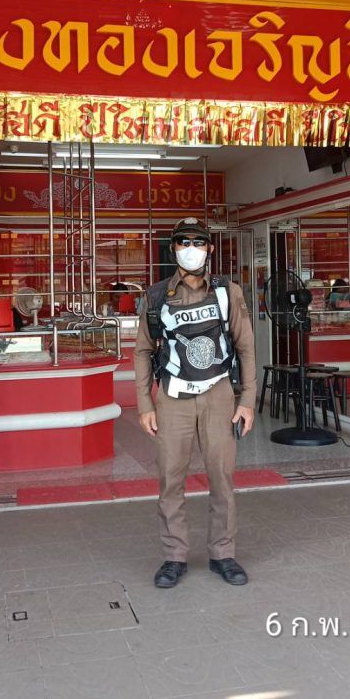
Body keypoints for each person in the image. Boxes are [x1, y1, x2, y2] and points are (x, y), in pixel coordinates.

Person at [134, 217, 256, 589]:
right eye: (183, 242)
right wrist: (145, 404)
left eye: (198, 242)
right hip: (173, 398)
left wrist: (247, 400)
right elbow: (142, 351)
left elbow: (246, 347)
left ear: (209, 248)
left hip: (219, 394)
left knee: (222, 477)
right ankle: (174, 557)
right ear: (173, 248)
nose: (191, 249)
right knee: (170, 480)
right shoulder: (156, 296)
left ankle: (223, 553)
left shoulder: (227, 291)